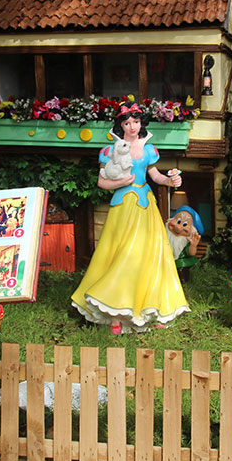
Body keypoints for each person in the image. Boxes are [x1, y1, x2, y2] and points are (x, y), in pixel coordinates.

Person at [71, 102, 189, 334]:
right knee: (120, 252)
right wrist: (120, 183)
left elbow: (154, 175)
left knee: (151, 253)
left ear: (141, 124)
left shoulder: (149, 149)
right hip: (123, 206)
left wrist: (170, 181)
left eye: (135, 122)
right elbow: (101, 182)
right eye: (127, 123)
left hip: (145, 206)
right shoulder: (111, 150)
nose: (132, 127)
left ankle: (153, 307)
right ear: (120, 125)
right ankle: (115, 309)